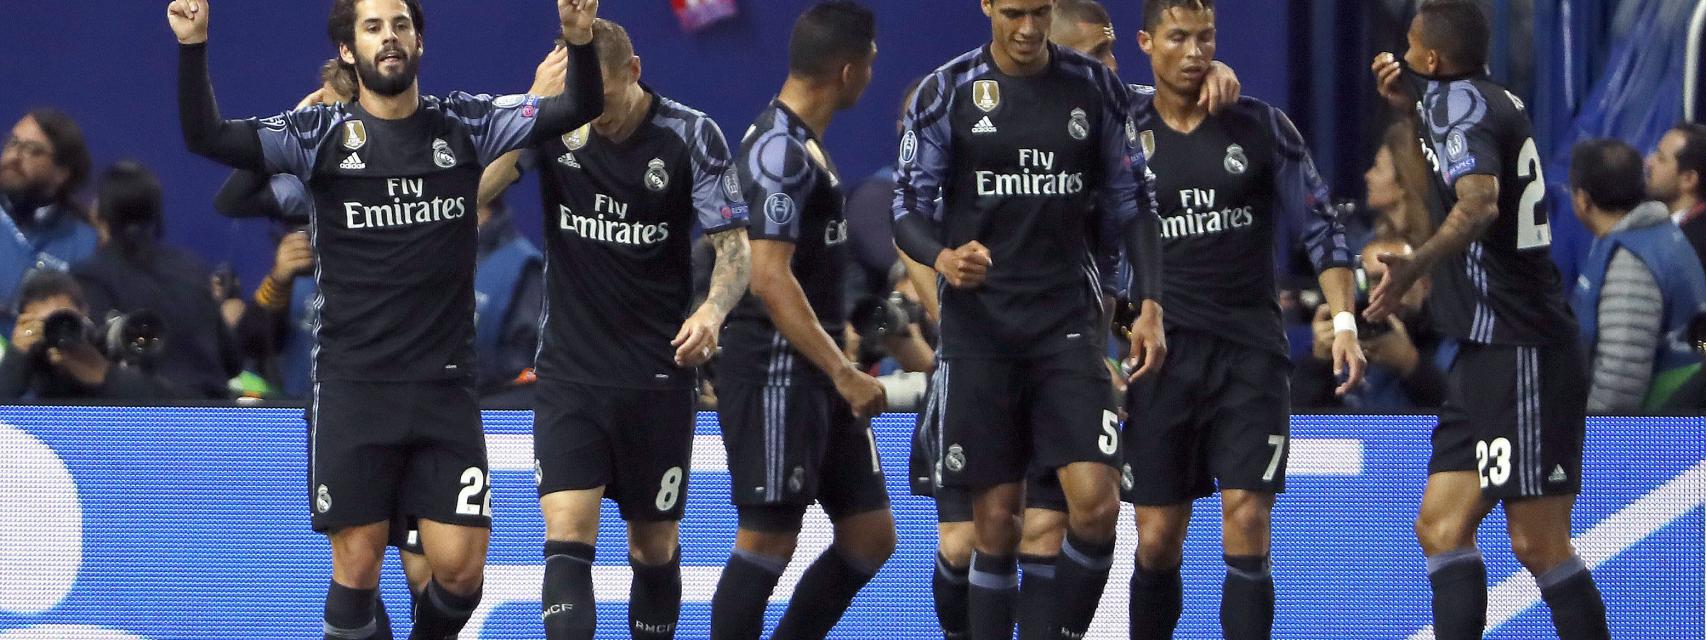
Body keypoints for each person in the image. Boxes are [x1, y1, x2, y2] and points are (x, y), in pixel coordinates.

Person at [169, 0, 604, 637]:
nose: (389, 37)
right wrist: (193, 45)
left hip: (444, 387)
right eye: (372, 28)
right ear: (349, 51)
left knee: (460, 572)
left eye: (400, 24)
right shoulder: (315, 136)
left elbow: (577, 107)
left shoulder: (466, 125)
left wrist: (579, 38)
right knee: (360, 560)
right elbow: (206, 137)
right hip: (353, 385)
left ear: (419, 41)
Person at [892, 0, 1170, 636]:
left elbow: (1136, 204)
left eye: (1039, 11)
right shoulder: (947, 91)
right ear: (987, 5)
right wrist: (942, 255)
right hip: (981, 332)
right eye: (1013, 11)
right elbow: (907, 206)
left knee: (1097, 508)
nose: (1026, 28)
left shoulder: (1095, 86)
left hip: (1067, 325)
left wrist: (1150, 303)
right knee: (995, 526)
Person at [482, 18, 752, 639]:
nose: (591, 115)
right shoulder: (555, 120)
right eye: (580, 100)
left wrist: (711, 311)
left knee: (652, 547)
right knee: (568, 532)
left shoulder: (690, 135)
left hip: (656, 374)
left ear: (633, 72)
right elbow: (473, 194)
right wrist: (532, 106)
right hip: (571, 370)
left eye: (599, 97)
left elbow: (734, 250)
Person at [1117, 2, 1364, 638]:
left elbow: (1321, 228)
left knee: (1248, 518)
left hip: (1249, 353)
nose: (1195, 52)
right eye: (1178, 38)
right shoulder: (1120, 131)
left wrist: (1344, 323)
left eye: (1206, 38)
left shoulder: (1260, 127)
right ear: (1147, 43)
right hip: (1160, 358)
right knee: (1156, 539)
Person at [1370, 2, 1611, 638]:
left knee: (1539, 542)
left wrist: (1413, 265)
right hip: (1485, 351)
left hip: (1522, 345)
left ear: (1429, 59)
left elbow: (1478, 204)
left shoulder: (1459, 106)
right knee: (1441, 526)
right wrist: (1409, 102)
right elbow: (1454, 135)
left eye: (1413, 50)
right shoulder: (1485, 96)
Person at [711, 3, 896, 637]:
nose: (872, 72)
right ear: (847, 72)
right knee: (767, 539)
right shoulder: (778, 152)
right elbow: (767, 277)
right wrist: (844, 370)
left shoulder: (805, 148)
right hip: (776, 372)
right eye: (870, 63)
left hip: (818, 369)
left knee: (869, 537)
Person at [70, 161, 241, 399]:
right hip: (210, 419)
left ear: (99, 213)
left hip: (143, 421)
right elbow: (232, 361)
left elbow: (90, 364)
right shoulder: (193, 268)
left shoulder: (90, 276)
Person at [1570, 139, 1706, 412]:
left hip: (1661, 434)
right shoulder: (1652, 234)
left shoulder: (1632, 263)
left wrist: (1591, 445)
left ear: (1583, 200)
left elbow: (1619, 382)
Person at [1296, 239, 1448, 411]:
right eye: (1374, 281)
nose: (1383, 292)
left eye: (1398, 280)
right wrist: (1318, 362)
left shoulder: (1449, 340)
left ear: (1425, 285)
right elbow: (1299, 423)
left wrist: (1411, 364)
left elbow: (1463, 412)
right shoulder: (1343, 335)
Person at [0, 270, 187, 400]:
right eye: (46, 324)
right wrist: (16, 358)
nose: (58, 333)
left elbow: (173, 409)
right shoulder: (25, 364)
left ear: (84, 313)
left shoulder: (103, 351)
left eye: (65, 320)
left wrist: (104, 374)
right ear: (24, 323)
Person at [0, 109, 99, 316]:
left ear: (61, 173)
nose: (15, 156)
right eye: (13, 143)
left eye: (33, 150)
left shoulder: (85, 245)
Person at [1364, 121, 1434, 248]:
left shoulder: (1433, 246)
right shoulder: (1372, 238)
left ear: (1402, 183)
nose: (1368, 176)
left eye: (1377, 168)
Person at [1645, 122, 1706, 267]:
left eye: (1661, 158)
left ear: (1688, 179)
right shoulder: (1648, 221)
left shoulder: (1695, 248)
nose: (1649, 162)